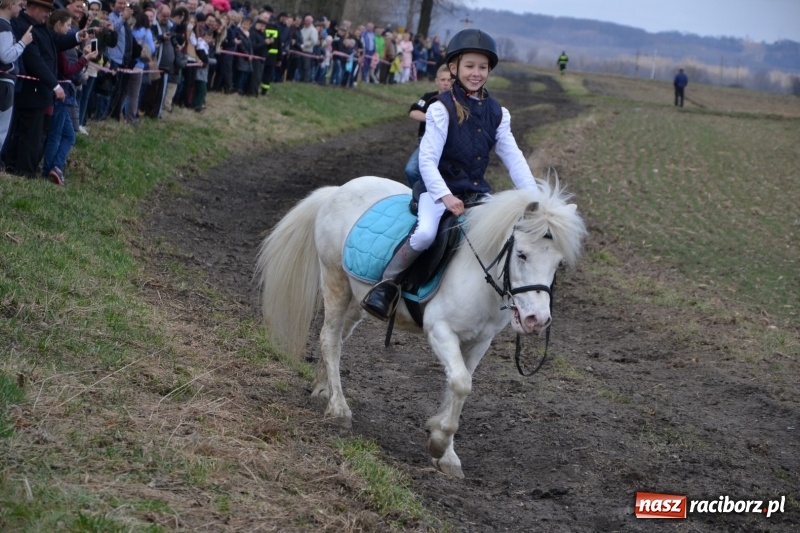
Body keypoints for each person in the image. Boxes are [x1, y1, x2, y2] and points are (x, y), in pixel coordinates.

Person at [361, 29, 541, 320]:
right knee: (425, 234)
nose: (476, 73)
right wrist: (444, 195)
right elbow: (427, 161)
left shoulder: (498, 112)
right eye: (470, 66)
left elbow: (514, 158)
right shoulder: (440, 109)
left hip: (476, 192)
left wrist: (535, 197)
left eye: (483, 67)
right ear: (454, 68)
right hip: (437, 190)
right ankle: (387, 284)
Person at [6, 0, 88, 179]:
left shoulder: (41, 27)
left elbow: (56, 41)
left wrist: (76, 37)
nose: (47, 14)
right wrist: (55, 85)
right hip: (31, 91)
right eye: (45, 10)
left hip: (40, 91)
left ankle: (15, 166)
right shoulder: (24, 26)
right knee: (30, 134)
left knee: (33, 132)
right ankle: (23, 171)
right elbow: (35, 61)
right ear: (34, 8)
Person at [42, 8, 97, 184]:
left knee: (68, 136)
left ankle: (56, 167)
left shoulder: (63, 45)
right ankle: (48, 170)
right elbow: (67, 70)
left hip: (65, 94)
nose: (68, 30)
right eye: (67, 26)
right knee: (56, 135)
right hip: (60, 94)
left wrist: (82, 56)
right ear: (58, 25)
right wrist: (85, 59)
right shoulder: (57, 46)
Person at [404, 63, 451, 188]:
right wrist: (432, 118)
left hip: (450, 144)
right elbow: (413, 112)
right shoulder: (428, 97)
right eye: (443, 80)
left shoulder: (457, 100)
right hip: (427, 142)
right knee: (411, 170)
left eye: (449, 80)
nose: (446, 83)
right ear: (436, 81)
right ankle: (419, 194)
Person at [0, 0, 33, 166]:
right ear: (10, 4)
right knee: (1, 128)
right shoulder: (4, 26)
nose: (22, 8)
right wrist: (23, 42)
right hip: (4, 82)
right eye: (20, 4)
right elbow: (6, 56)